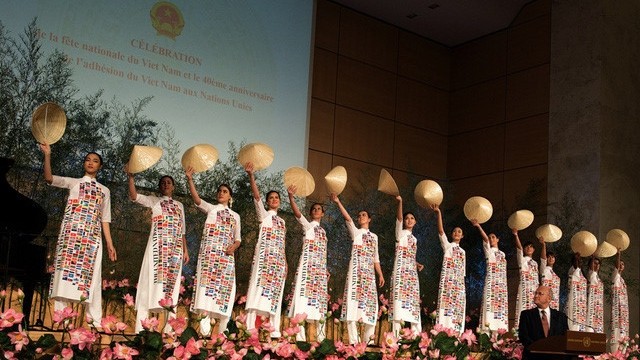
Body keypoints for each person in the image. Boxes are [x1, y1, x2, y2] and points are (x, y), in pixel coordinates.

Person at [39, 143, 117, 326]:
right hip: (71, 236)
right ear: (84, 164)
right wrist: (48, 155)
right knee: (64, 275)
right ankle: (62, 320)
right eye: (88, 160)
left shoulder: (105, 191)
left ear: (100, 166)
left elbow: (105, 219)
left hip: (91, 239)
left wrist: (110, 244)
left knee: (92, 278)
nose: (91, 163)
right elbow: (49, 178)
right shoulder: (74, 183)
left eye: (95, 161)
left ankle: (95, 323)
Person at [127, 170, 189, 333]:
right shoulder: (154, 201)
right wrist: (131, 178)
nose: (166, 184)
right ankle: (142, 327)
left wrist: (185, 249)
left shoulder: (180, 206)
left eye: (169, 182)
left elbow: (182, 230)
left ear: (174, 187)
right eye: (163, 183)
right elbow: (134, 197)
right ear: (159, 187)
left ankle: (169, 329)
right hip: (157, 248)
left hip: (175, 250)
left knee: (172, 286)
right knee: (152, 282)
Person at [186, 167, 241, 336]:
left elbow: (238, 238)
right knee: (206, 288)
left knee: (224, 290)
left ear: (230, 196)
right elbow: (196, 200)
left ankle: (223, 333)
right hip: (210, 256)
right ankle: (204, 330)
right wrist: (190, 179)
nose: (221, 193)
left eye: (225, 191)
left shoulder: (235, 216)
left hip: (226, 258)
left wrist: (234, 246)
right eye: (219, 191)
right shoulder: (211, 209)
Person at [331, 193, 384, 344]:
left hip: (369, 276)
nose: (360, 217)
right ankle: (354, 341)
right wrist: (338, 201)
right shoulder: (356, 233)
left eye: (364, 215)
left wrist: (380, 274)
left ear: (369, 219)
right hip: (356, 274)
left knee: (370, 306)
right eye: (359, 215)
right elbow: (347, 218)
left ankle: (369, 341)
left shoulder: (374, 237)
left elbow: (376, 258)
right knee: (352, 304)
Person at [244, 162, 287, 338]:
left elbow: (282, 244)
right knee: (257, 289)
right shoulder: (264, 215)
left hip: (277, 262)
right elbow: (256, 197)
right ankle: (249, 328)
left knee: (275, 294)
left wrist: (285, 262)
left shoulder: (283, 222)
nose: (274, 200)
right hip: (263, 260)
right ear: (268, 202)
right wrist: (251, 176)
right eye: (271, 198)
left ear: (280, 201)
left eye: (277, 198)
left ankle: (274, 330)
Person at [286, 185, 328, 341]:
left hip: (319, 269)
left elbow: (323, 252)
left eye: (319, 209)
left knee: (318, 300)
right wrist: (291, 197)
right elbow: (297, 213)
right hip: (307, 267)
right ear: (311, 213)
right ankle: (300, 336)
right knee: (303, 297)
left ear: (323, 213)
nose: (316, 211)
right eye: (314, 209)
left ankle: (321, 336)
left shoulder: (323, 232)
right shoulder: (308, 226)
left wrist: (325, 268)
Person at [389, 195, 423, 335]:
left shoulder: (414, 239)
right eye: (407, 218)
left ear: (415, 222)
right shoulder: (400, 233)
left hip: (412, 275)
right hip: (400, 274)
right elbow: (399, 219)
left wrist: (416, 263)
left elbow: (408, 255)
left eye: (412, 218)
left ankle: (416, 338)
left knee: (413, 305)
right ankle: (395, 339)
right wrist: (400, 202)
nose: (409, 220)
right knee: (398, 304)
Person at [431, 203, 465, 335]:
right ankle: (442, 332)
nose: (457, 233)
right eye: (455, 231)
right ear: (451, 235)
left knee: (457, 309)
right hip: (447, 283)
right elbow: (440, 231)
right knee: (446, 307)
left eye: (459, 232)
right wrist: (438, 213)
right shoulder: (448, 246)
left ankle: (456, 336)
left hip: (459, 285)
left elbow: (463, 272)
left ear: (462, 236)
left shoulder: (463, 252)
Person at [473, 220, 508, 332]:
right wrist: (479, 226)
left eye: (493, 237)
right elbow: (485, 239)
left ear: (498, 239)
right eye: (490, 237)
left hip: (501, 287)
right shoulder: (489, 251)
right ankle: (486, 336)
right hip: (491, 284)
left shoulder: (502, 254)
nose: (491, 239)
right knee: (489, 309)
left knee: (499, 313)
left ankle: (497, 338)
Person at [518, 285, 569, 359]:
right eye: (535, 293)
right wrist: (539, 348)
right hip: (533, 356)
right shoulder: (526, 315)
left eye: (540, 294)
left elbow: (565, 337)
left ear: (549, 298)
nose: (536, 296)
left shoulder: (560, 316)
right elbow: (523, 336)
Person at [513, 229, 539, 330]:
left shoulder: (535, 263)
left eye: (531, 246)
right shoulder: (522, 260)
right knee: (522, 309)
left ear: (533, 250)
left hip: (534, 290)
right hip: (525, 289)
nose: (529, 248)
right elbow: (519, 248)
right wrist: (516, 235)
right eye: (526, 247)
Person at [610, 250, 628, 352]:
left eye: (623, 264)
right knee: (617, 337)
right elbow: (616, 268)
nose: (621, 266)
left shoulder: (622, 280)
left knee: (624, 338)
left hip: (624, 314)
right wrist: (618, 254)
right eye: (619, 264)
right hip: (617, 312)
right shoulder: (615, 277)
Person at [565, 253, 587, 331]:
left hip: (581, 305)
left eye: (580, 260)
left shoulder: (582, 273)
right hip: (573, 303)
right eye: (577, 260)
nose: (579, 262)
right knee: (573, 326)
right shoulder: (572, 270)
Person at [538, 237, 560, 310]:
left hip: (554, 301)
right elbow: (543, 259)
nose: (551, 259)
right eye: (549, 257)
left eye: (553, 257)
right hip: (545, 300)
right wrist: (544, 245)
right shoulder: (544, 269)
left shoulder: (554, 274)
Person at [585, 256, 603, 333]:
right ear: (590, 265)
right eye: (594, 263)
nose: (597, 265)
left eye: (598, 264)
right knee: (590, 324)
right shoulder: (590, 274)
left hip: (598, 305)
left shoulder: (597, 276)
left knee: (597, 326)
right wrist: (592, 256)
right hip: (591, 303)